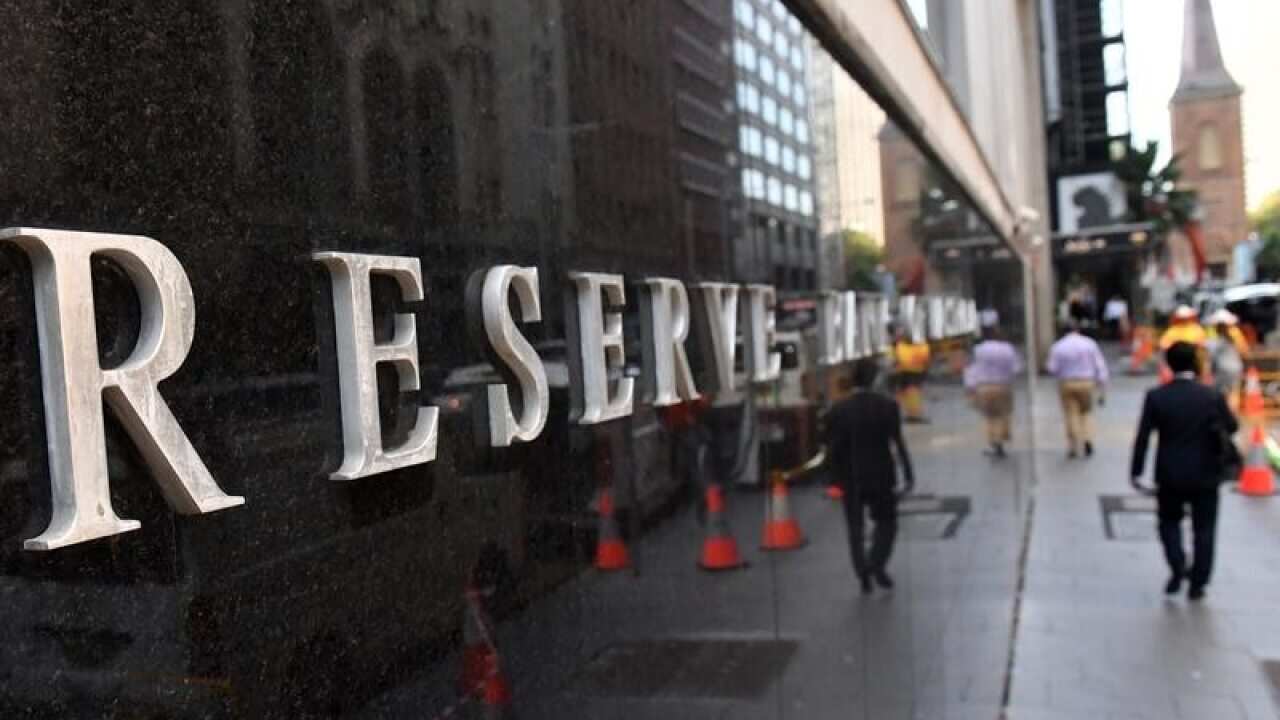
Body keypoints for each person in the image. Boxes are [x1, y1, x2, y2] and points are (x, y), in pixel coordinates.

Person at [1130, 342, 1238, 600]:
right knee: (1205, 528)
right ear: (1197, 364)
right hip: (1206, 472)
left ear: (1169, 364)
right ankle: (1198, 581)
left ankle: (1177, 565)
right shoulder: (1211, 395)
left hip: (1170, 473)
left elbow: (1143, 437)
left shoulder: (1157, 396)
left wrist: (1136, 470)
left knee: (1168, 522)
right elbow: (1232, 426)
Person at [824, 359, 915, 594]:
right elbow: (897, 441)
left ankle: (862, 572)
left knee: (855, 527)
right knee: (887, 522)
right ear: (875, 379)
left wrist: (832, 479)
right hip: (881, 474)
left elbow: (832, 449)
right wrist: (908, 472)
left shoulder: (837, 410)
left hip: (851, 477)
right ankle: (877, 562)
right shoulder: (887, 406)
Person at [1047, 321, 1109, 459]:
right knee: (1086, 413)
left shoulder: (1058, 346)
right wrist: (1102, 387)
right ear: (1078, 330)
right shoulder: (1089, 344)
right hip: (1086, 382)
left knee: (1070, 414)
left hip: (1067, 383)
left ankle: (1073, 445)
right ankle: (1087, 439)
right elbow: (1100, 365)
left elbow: (1052, 368)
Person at [964, 327, 1023, 458]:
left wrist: (970, 387)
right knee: (1003, 414)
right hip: (1003, 386)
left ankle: (994, 443)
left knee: (989, 416)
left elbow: (972, 369)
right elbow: (1016, 368)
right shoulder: (1008, 349)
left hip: (984, 387)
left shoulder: (979, 349)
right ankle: (1001, 440)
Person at [1205, 309, 1245, 410]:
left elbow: (1210, 356)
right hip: (1236, 368)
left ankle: (1225, 415)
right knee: (1234, 393)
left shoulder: (1213, 341)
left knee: (1222, 394)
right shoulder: (1234, 335)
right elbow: (1243, 350)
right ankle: (1232, 414)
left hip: (1221, 369)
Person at [892, 328, 931, 423]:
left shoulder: (900, 345)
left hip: (906, 370)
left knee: (905, 393)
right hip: (912, 370)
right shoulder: (919, 345)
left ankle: (910, 414)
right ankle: (913, 415)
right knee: (910, 392)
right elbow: (925, 359)